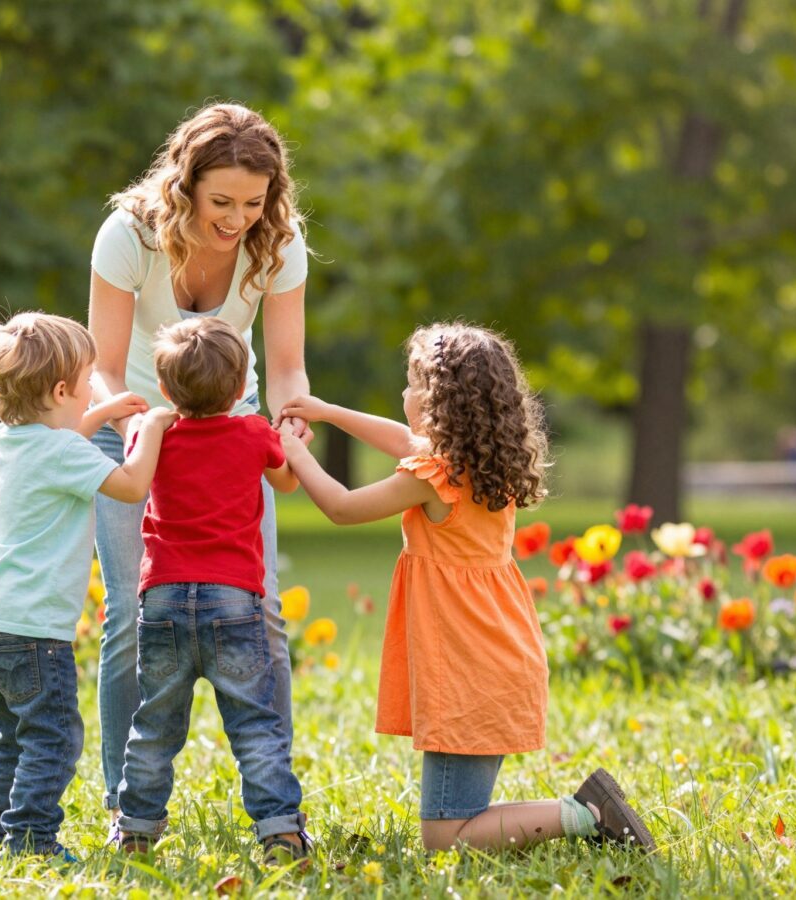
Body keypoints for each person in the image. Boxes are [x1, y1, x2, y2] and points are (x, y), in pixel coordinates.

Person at [276, 322, 657, 853]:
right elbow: (401, 438)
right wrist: (328, 412)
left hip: (467, 670)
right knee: (452, 826)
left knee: (445, 838)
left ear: (439, 400)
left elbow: (341, 507)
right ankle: (584, 811)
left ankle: (587, 813)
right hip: (493, 653)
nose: (405, 394)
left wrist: (294, 453)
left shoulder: (433, 476)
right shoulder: (480, 464)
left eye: (413, 383)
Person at [88, 103, 312, 824]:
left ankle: (276, 796)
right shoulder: (129, 236)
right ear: (184, 186)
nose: (238, 218)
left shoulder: (277, 244)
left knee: (263, 609)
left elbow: (286, 369)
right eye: (222, 202)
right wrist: (145, 436)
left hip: (229, 430)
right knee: (132, 611)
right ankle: (123, 799)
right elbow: (102, 367)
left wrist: (290, 426)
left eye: (253, 202)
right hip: (132, 431)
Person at [0, 311, 177, 859]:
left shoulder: (11, 440)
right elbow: (131, 486)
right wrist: (150, 427)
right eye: (87, 385)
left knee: (12, 735)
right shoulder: (64, 453)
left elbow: (62, 437)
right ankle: (31, 839)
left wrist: (102, 411)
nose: (91, 393)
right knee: (54, 739)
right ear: (61, 390)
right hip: (36, 631)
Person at [115, 318, 309, 863]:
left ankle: (135, 830)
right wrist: (289, 438)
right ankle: (280, 834)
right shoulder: (253, 434)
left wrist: (151, 417)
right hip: (235, 601)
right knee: (253, 724)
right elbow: (288, 482)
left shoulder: (156, 432)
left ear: (168, 389)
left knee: (154, 723)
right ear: (241, 383)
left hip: (163, 598)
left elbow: (136, 463)